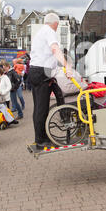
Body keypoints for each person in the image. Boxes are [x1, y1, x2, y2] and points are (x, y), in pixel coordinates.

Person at [28, 13, 72, 149]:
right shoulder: (49, 31)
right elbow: (55, 49)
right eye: (57, 25)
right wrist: (67, 65)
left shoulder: (41, 32)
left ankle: (42, 137)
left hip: (36, 71)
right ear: (56, 23)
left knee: (38, 108)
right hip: (42, 72)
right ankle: (41, 140)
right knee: (42, 109)